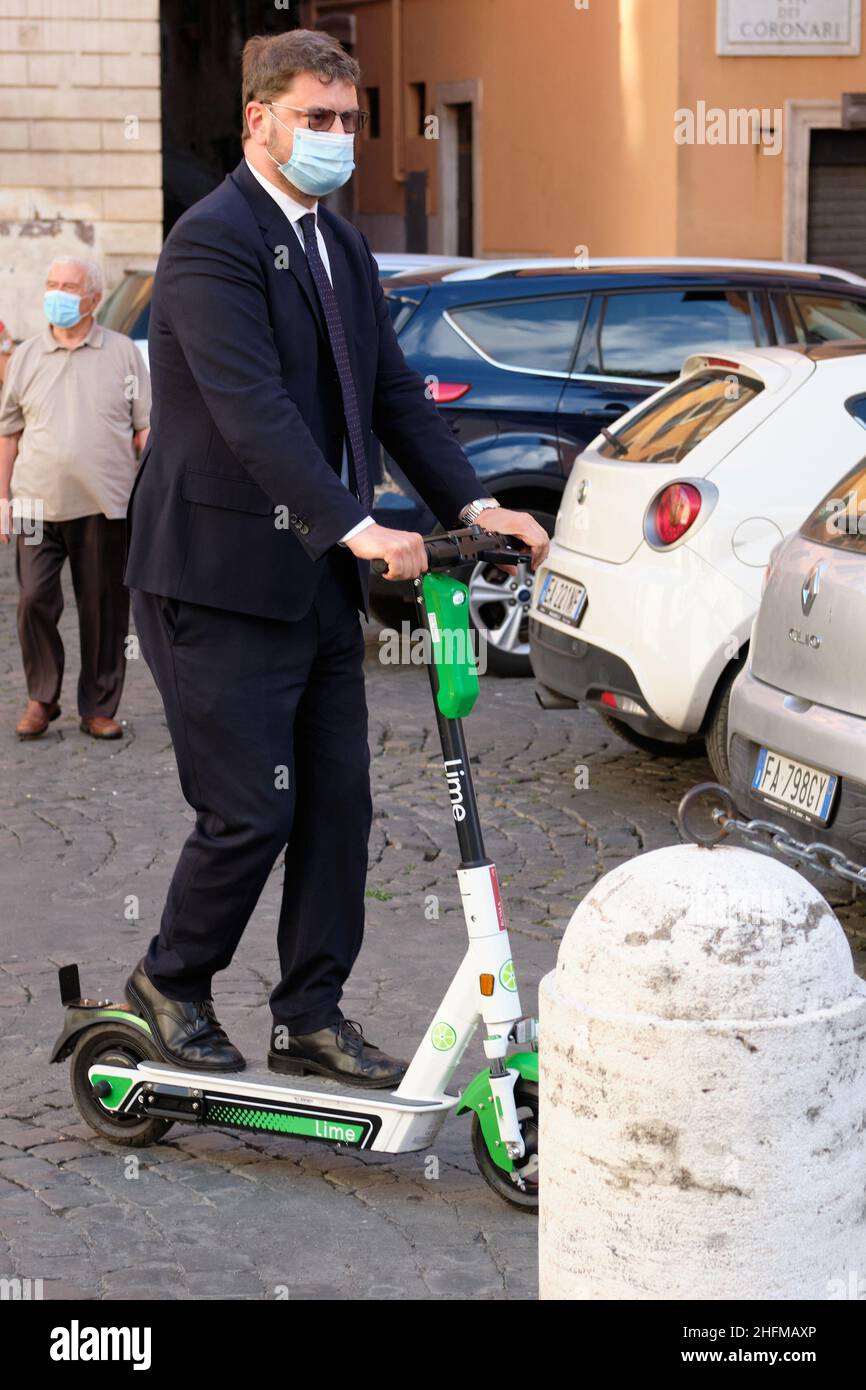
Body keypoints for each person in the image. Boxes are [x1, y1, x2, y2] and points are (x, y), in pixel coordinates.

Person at [122, 28, 548, 1084]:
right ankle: (170, 982)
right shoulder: (210, 241)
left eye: (348, 121)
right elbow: (252, 410)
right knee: (249, 808)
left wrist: (475, 499)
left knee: (336, 806)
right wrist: (354, 524)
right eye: (315, 118)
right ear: (258, 119)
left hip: (310, 584)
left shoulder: (339, 244)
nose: (335, 138)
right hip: (213, 581)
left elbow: (390, 391)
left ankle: (308, 1011)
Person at [0, 257, 151, 739]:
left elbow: (145, 428)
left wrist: (152, 496)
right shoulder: (25, 356)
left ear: (93, 298)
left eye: (68, 286)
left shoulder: (124, 354)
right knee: (32, 600)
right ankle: (42, 698)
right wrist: (1, 499)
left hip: (105, 503)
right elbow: (8, 433)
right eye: (51, 284)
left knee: (104, 606)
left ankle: (99, 706)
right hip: (30, 504)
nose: (58, 293)